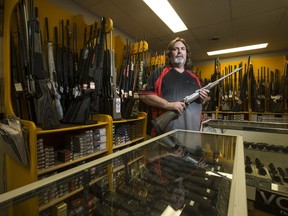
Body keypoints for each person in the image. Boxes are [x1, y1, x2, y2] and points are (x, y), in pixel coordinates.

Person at [139, 37, 210, 136]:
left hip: (194, 134)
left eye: (182, 49)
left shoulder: (195, 78)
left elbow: (200, 103)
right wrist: (168, 105)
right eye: (175, 49)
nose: (179, 51)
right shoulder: (160, 72)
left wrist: (203, 99)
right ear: (169, 54)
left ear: (187, 54)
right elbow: (144, 96)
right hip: (168, 137)